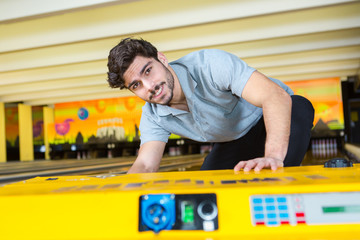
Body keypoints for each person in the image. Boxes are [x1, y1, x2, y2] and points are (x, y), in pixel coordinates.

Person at [107, 38, 314, 173]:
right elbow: (145, 164)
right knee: (207, 184)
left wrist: (272, 157)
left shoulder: (210, 65)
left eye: (148, 71)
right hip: (235, 139)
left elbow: (274, 96)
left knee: (299, 107)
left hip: (275, 117)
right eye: (136, 85)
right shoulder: (153, 116)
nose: (150, 86)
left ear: (161, 59)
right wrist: (121, 191)